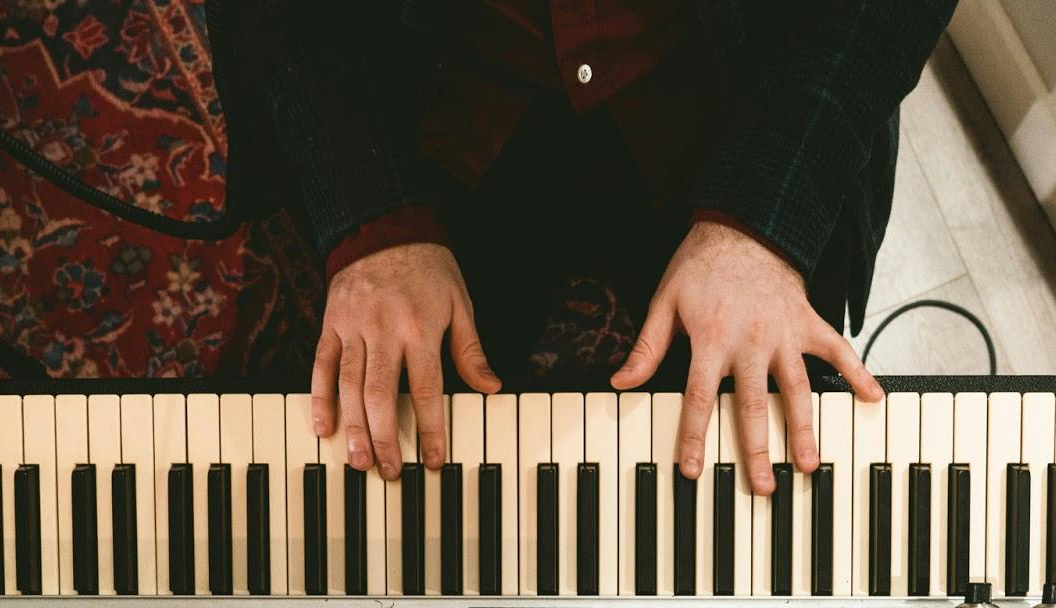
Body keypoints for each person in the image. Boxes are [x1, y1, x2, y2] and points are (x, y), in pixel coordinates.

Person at [254, 0, 957, 493]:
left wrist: (765, 220)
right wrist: (376, 212)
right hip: (442, 92)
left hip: (745, 94)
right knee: (436, 398)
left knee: (742, 442)